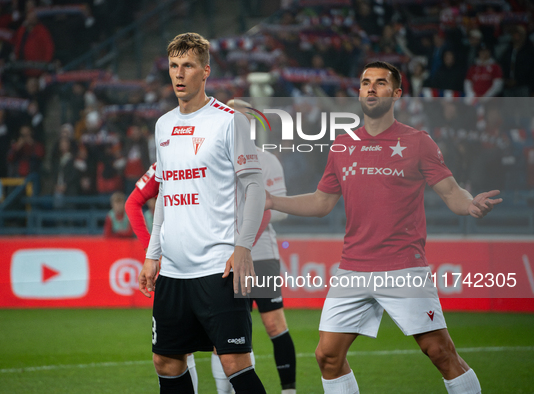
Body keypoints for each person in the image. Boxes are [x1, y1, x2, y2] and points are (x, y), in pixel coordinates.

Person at [265, 61, 502, 394]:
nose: (371, 88)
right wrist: (273, 201)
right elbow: (321, 202)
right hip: (353, 269)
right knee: (327, 356)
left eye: (380, 82)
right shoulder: (342, 146)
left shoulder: (418, 142)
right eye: (365, 82)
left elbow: (451, 192)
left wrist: (470, 204)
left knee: (440, 352)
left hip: (403, 266)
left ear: (397, 93)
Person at [138, 32, 267, 394]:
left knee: (234, 364)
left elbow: (255, 187)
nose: (179, 74)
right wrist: (153, 255)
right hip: (174, 273)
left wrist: (243, 247)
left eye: (188, 66)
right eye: (173, 66)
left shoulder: (228, 121)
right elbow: (165, 190)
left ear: (205, 71)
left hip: (218, 267)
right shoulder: (163, 125)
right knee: (166, 361)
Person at [208, 99, 296, 394]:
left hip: (261, 255)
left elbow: (279, 209)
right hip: (223, 255)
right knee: (225, 332)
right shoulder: (213, 157)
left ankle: (288, 390)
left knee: (274, 325)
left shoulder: (267, 159)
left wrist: (244, 243)